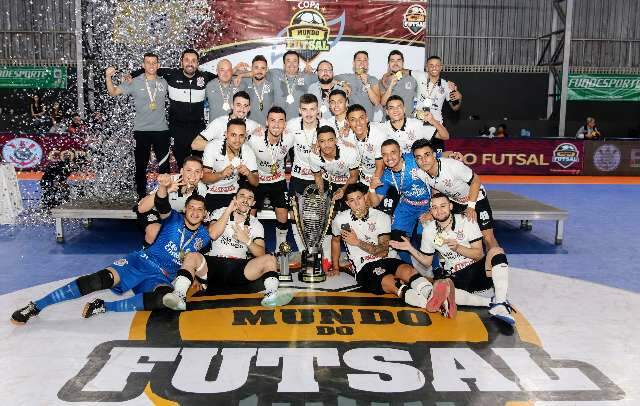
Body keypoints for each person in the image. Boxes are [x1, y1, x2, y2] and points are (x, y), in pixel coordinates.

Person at [11, 177, 212, 324]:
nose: (195, 212)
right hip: (139, 262)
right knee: (98, 280)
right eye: (191, 208)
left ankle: (104, 306)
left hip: (160, 277)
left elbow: (200, 257)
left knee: (164, 301)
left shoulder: (203, 236)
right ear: (185, 209)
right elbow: (161, 203)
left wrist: (199, 280)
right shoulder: (173, 218)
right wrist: (163, 187)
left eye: (199, 210)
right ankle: (36, 306)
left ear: (204, 214)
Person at [390, 193, 515, 325]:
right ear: (430, 211)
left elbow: (478, 254)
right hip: (456, 276)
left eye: (443, 206)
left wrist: (458, 248)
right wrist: (410, 248)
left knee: (496, 251)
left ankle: (501, 303)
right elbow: (427, 261)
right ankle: (491, 302)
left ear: (450, 206)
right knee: (443, 286)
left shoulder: (466, 221)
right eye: (434, 207)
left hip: (477, 272)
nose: (439, 211)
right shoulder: (429, 230)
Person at [330, 183, 451, 311]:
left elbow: (383, 251)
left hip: (388, 258)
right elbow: (335, 241)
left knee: (407, 271)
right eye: (352, 200)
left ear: (365, 197)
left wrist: (357, 242)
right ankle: (431, 305)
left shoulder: (380, 216)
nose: (356, 203)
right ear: (348, 204)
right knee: (392, 283)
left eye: (359, 198)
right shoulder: (341, 219)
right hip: (364, 265)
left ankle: (434, 296)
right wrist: (335, 266)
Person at [163, 185, 281, 310]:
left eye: (250, 198)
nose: (245, 200)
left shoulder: (256, 224)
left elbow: (261, 253)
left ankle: (271, 295)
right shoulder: (221, 212)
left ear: (253, 202)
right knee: (192, 256)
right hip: (213, 266)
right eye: (242, 196)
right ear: (235, 198)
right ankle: (179, 296)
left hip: (239, 268)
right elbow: (212, 234)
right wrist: (229, 210)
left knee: (270, 259)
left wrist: (247, 240)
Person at [130, 49, 218, 168]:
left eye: (193, 61)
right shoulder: (171, 75)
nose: (190, 63)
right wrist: (130, 75)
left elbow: (224, 77)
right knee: (183, 166)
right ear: (181, 62)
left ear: (198, 63)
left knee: (199, 167)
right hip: (177, 130)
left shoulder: (205, 76)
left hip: (199, 130)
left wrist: (241, 73)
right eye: (186, 60)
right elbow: (150, 69)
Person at [412, 139, 499, 250]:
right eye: (419, 157)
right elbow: (436, 189)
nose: (423, 160)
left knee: (487, 238)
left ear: (434, 155)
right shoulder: (421, 174)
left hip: (476, 199)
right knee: (434, 227)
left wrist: (471, 207)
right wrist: (432, 211)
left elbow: (476, 180)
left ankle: (498, 265)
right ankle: (445, 261)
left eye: (427, 155)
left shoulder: (452, 166)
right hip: (455, 201)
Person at [106, 53, 170, 198]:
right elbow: (113, 92)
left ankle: (165, 196)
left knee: (164, 166)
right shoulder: (134, 82)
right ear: (143, 65)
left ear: (158, 65)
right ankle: (142, 197)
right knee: (141, 166)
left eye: (154, 63)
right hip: (141, 131)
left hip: (162, 131)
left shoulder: (164, 82)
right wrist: (108, 77)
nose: (151, 65)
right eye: (148, 63)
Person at [368, 139, 432, 272]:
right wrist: (372, 189)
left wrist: (453, 154)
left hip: (427, 204)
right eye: (385, 154)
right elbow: (374, 202)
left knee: (425, 238)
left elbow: (434, 158)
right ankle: (411, 268)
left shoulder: (413, 159)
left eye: (393, 152)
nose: (389, 157)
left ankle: (436, 269)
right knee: (396, 240)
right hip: (407, 205)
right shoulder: (386, 175)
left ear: (401, 152)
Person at [246, 106, 294, 248]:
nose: (276, 124)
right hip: (257, 180)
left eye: (280, 121)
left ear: (285, 124)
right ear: (266, 122)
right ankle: (250, 246)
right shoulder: (255, 139)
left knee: (283, 214)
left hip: (277, 180)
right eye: (272, 120)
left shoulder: (289, 137)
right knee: (250, 213)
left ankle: (281, 248)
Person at [136, 155, 208, 246]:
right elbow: (141, 208)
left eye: (197, 171)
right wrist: (166, 190)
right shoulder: (169, 180)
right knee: (154, 231)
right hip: (154, 212)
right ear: (182, 171)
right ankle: (147, 257)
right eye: (189, 170)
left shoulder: (202, 190)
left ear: (201, 174)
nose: (193, 175)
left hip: (175, 215)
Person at [201, 118, 258, 212]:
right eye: (233, 135)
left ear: (245, 137)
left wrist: (248, 174)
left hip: (233, 192)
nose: (237, 140)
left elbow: (256, 182)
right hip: (211, 191)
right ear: (226, 134)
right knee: (211, 223)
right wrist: (221, 174)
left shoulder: (248, 151)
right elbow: (204, 177)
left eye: (241, 136)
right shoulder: (212, 147)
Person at [287, 93, 331, 196]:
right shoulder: (291, 125)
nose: (309, 114)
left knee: (320, 211)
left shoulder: (328, 126)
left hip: (322, 176)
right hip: (298, 175)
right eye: (304, 109)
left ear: (318, 109)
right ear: (299, 110)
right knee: (295, 210)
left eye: (312, 109)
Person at [191, 91, 261, 151]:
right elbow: (195, 144)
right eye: (238, 105)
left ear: (249, 108)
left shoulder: (253, 125)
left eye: (245, 106)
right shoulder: (219, 123)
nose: (242, 109)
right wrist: (225, 147)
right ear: (232, 106)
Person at [381, 95, 449, 154]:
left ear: (404, 109)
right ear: (387, 112)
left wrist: (433, 121)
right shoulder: (382, 128)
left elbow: (445, 136)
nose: (395, 110)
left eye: (399, 107)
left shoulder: (417, 124)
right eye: (391, 108)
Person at [410, 55, 462, 124]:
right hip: (417, 122)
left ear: (441, 68)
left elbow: (455, 108)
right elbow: (403, 71)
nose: (434, 67)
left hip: (436, 123)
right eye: (431, 65)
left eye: (437, 65)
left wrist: (460, 98)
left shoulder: (447, 85)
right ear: (427, 68)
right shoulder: (419, 75)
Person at [345, 104, 386, 187]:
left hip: (381, 179)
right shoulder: (347, 136)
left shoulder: (378, 136)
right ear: (348, 122)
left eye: (361, 118)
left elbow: (380, 168)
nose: (358, 123)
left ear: (366, 118)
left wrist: (370, 191)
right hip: (362, 177)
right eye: (353, 120)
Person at [269, 50, 317, 120]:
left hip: (299, 122)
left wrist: (312, 71)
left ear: (298, 64)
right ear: (284, 64)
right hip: (279, 122)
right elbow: (257, 73)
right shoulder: (275, 74)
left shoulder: (306, 76)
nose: (292, 64)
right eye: (288, 61)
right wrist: (246, 73)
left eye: (295, 61)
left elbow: (326, 77)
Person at [335, 51, 381, 121]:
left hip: (367, 122)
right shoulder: (347, 77)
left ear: (367, 64)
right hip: (350, 123)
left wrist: (366, 84)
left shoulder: (373, 79)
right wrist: (343, 84)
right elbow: (330, 79)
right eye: (359, 60)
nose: (362, 63)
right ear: (353, 63)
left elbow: (376, 102)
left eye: (365, 60)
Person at [379, 50, 418, 117]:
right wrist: (391, 86)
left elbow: (417, 100)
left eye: (398, 60)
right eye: (392, 61)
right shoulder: (383, 81)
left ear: (402, 62)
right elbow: (383, 103)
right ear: (388, 64)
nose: (395, 63)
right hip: (389, 122)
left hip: (408, 121)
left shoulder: (412, 79)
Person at [239, 54, 275, 126]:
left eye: (263, 68)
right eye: (256, 67)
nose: (259, 71)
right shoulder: (244, 82)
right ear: (251, 69)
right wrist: (240, 73)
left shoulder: (272, 84)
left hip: (267, 127)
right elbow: (229, 73)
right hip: (248, 127)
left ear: (267, 69)